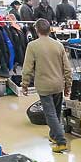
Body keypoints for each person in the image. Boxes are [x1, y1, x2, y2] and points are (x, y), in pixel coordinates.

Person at [21, 19, 72, 153]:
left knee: (50, 115)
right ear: (50, 30)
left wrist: (24, 84)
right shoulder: (58, 45)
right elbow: (67, 68)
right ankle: (54, 136)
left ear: (36, 30)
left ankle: (61, 141)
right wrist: (68, 85)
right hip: (58, 85)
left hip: (44, 86)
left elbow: (27, 68)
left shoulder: (32, 46)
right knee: (57, 112)